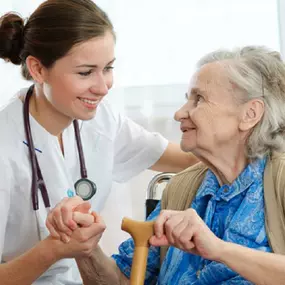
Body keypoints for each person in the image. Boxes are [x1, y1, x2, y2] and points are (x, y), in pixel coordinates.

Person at [48, 45, 285, 284]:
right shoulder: (182, 189)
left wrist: (219, 249)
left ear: (250, 114)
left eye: (198, 99)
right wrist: (85, 247)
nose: (179, 113)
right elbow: (122, 280)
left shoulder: (280, 180)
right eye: (187, 100)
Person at [0, 0, 199, 284]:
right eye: (85, 72)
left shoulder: (100, 120)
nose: (103, 87)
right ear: (38, 69)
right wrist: (54, 248)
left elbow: (190, 158)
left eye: (108, 68)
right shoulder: (4, 145)